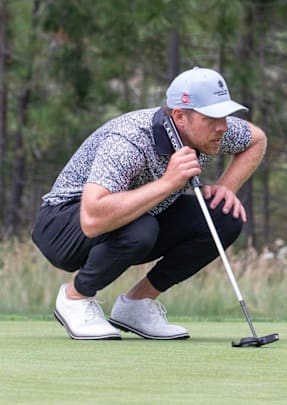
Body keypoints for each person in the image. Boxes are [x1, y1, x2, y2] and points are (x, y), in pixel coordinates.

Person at [31, 67, 267, 340]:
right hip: (63, 227)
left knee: (223, 216)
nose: (222, 126)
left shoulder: (211, 131)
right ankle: (75, 298)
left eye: (224, 115)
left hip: (139, 218)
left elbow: (256, 139)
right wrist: (169, 182)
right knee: (140, 228)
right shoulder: (130, 139)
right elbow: (92, 218)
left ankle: (136, 306)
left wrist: (227, 188)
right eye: (211, 117)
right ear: (180, 116)